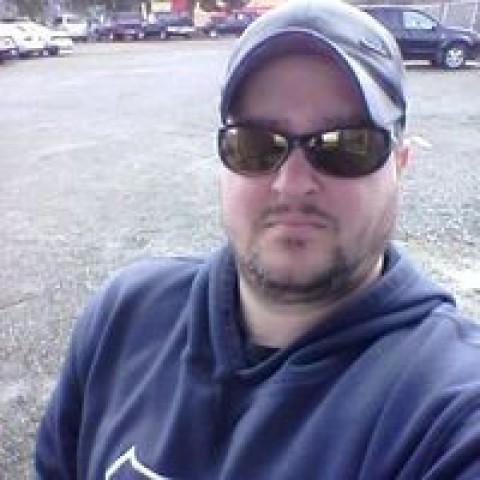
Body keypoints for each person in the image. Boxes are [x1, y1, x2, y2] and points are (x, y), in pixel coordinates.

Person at [35, 0, 480, 478]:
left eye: (347, 145)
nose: (292, 184)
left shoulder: (447, 411)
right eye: (256, 144)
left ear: (400, 165)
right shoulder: (124, 319)